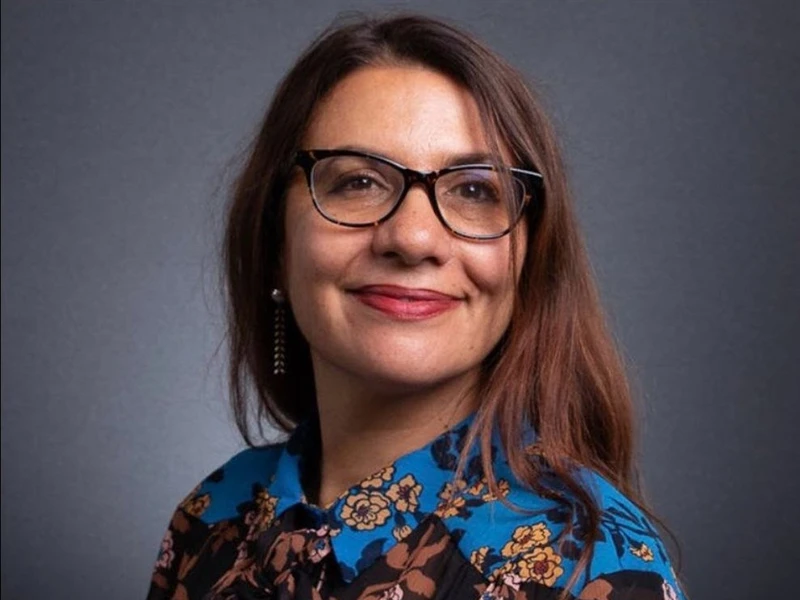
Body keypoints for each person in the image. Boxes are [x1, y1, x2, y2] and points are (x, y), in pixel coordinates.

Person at [147, 13, 686, 600]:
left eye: (475, 190)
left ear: (529, 258)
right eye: (358, 182)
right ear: (275, 242)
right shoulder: (213, 518)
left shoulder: (593, 570)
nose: (413, 238)